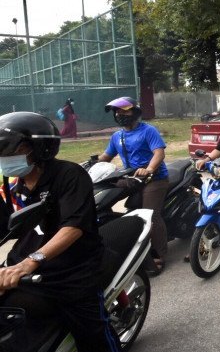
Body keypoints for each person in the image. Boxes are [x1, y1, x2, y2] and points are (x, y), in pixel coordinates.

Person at [0, 112, 121, 351]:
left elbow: (73, 228)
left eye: (14, 149)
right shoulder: (16, 184)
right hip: (25, 266)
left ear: (40, 148)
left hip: (72, 273)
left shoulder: (69, 175)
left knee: (92, 336)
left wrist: (30, 262)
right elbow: (9, 227)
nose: (5, 156)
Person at [96, 96, 169, 274]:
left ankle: (160, 255)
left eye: (124, 111)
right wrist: (90, 164)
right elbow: (106, 157)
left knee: (151, 215)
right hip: (131, 178)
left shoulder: (148, 130)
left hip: (154, 179)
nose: (119, 115)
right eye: (117, 112)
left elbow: (159, 153)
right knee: (103, 196)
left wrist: (149, 169)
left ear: (135, 112)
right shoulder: (117, 136)